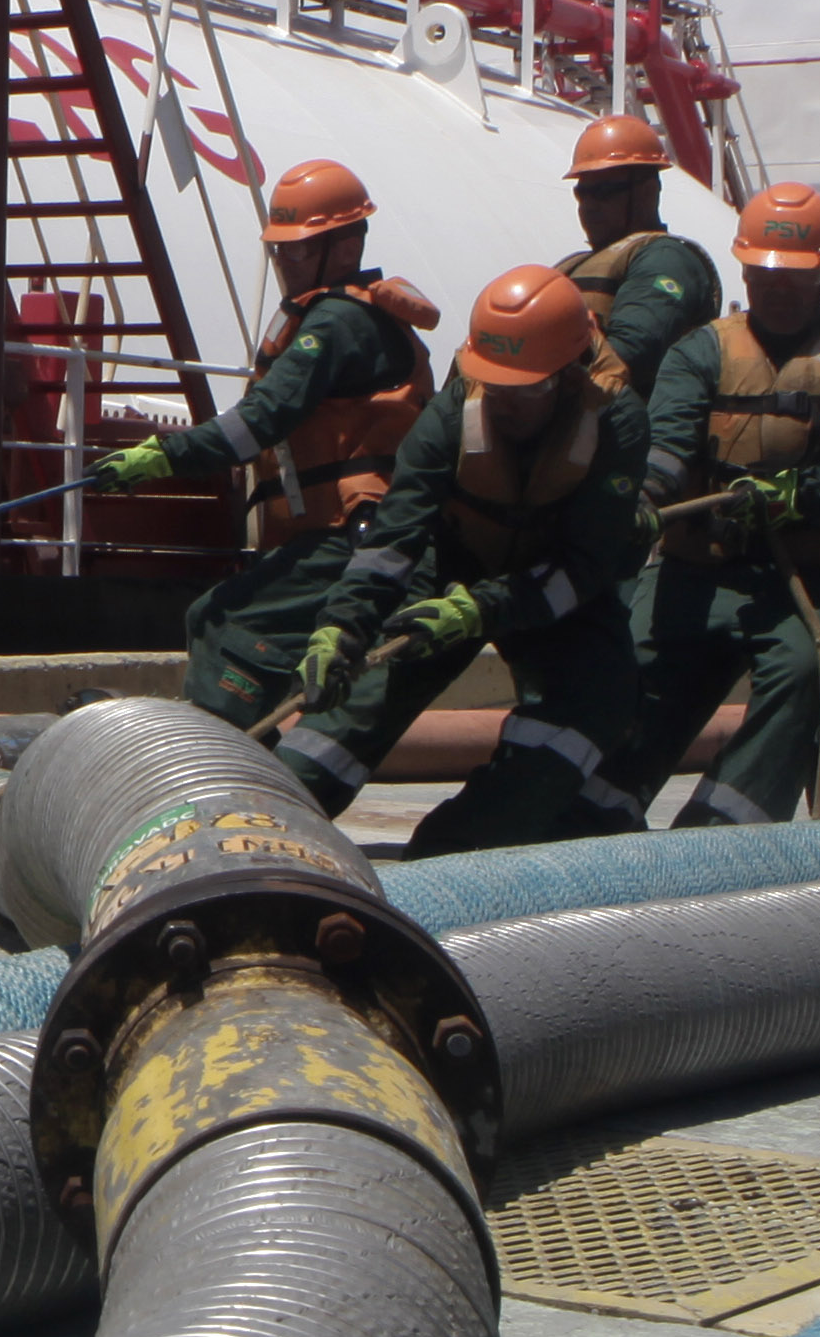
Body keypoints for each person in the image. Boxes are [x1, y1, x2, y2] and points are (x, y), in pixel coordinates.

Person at [277, 261, 664, 851]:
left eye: (522, 388)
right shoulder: (452, 413)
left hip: (558, 586)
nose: (502, 401)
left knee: (597, 704)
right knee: (354, 707)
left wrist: (484, 611)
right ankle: (267, 819)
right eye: (495, 383)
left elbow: (586, 566)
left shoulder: (617, 424)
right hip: (454, 563)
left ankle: (455, 852)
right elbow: (394, 537)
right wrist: (342, 626)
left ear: (565, 376)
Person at [91, 157, 439, 734]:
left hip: (351, 534)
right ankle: (250, 749)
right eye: (279, 250)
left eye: (297, 250)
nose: (284, 263)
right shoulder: (344, 316)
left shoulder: (335, 323)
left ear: (344, 247)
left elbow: (263, 418)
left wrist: (164, 456)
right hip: (343, 531)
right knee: (233, 625)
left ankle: (217, 755)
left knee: (223, 621)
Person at [631, 180, 820, 825]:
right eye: (765, 274)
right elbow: (667, 441)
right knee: (631, 673)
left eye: (795, 276)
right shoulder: (702, 350)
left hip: (812, 579)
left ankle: (722, 834)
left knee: (801, 672)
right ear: (743, 268)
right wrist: (644, 498)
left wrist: (801, 496)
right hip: (696, 570)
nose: (778, 288)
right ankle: (591, 814)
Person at [560, 110, 720, 383]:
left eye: (604, 192)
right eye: (582, 193)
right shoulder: (574, 263)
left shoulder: (665, 259)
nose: (589, 205)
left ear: (647, 193)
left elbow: (633, 350)